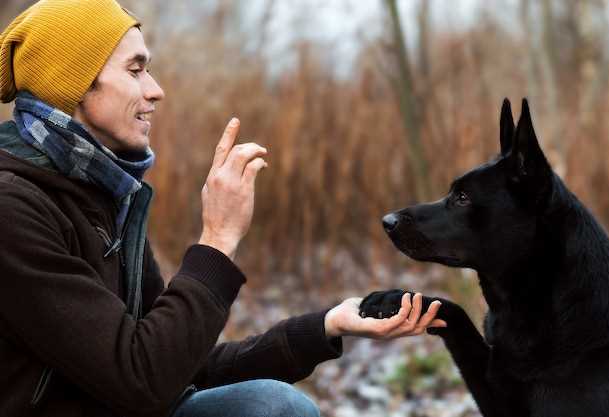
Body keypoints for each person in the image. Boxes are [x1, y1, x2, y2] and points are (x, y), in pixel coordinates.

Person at [0, 1, 446, 417]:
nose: (156, 90)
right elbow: (142, 377)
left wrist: (325, 327)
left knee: (272, 405)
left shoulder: (106, 195)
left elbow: (181, 365)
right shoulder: (14, 209)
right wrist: (217, 239)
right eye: (136, 70)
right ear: (74, 85)